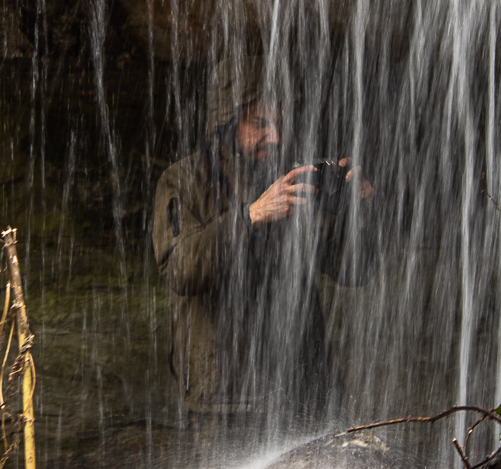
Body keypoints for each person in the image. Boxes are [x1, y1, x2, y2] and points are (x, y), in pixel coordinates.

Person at [152, 57, 375, 421]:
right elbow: (179, 268)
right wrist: (250, 215)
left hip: (305, 389)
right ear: (227, 120)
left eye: (279, 124)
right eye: (260, 124)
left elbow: (354, 272)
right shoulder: (184, 180)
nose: (274, 137)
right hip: (229, 395)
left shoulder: (296, 178)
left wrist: (359, 213)